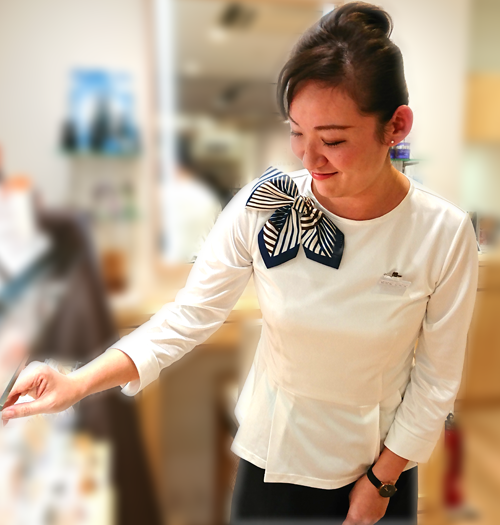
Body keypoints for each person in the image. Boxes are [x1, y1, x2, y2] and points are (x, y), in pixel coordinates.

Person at [1, 3, 479, 524]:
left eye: (333, 140)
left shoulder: (442, 233)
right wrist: (74, 383)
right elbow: (189, 316)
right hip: (273, 461)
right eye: (297, 132)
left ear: (396, 126)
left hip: (379, 469)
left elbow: (435, 382)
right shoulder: (265, 205)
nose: (309, 160)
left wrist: (381, 483)